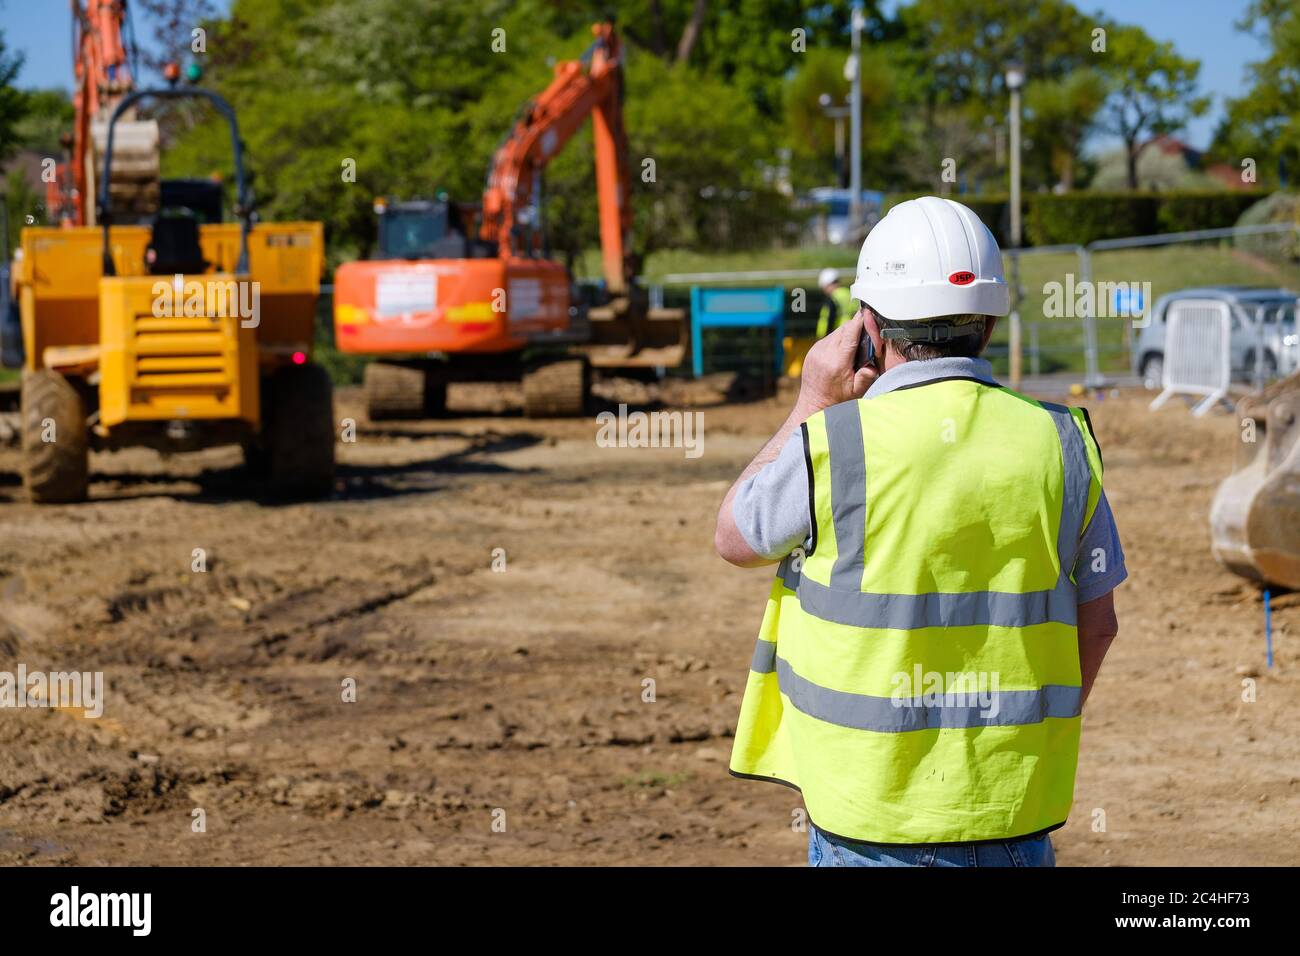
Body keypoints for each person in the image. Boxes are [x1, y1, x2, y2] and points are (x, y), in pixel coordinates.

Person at [714, 197, 1126, 868]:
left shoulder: (835, 442)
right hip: (1013, 817)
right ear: (989, 324)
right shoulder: (1062, 441)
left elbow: (736, 538)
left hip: (870, 821)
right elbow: (1099, 624)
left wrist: (812, 399)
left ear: (868, 326)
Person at [815, 267, 854, 339]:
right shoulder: (850, 294)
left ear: (827, 284)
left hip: (836, 335)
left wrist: (825, 338)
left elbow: (830, 318)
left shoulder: (833, 298)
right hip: (852, 333)